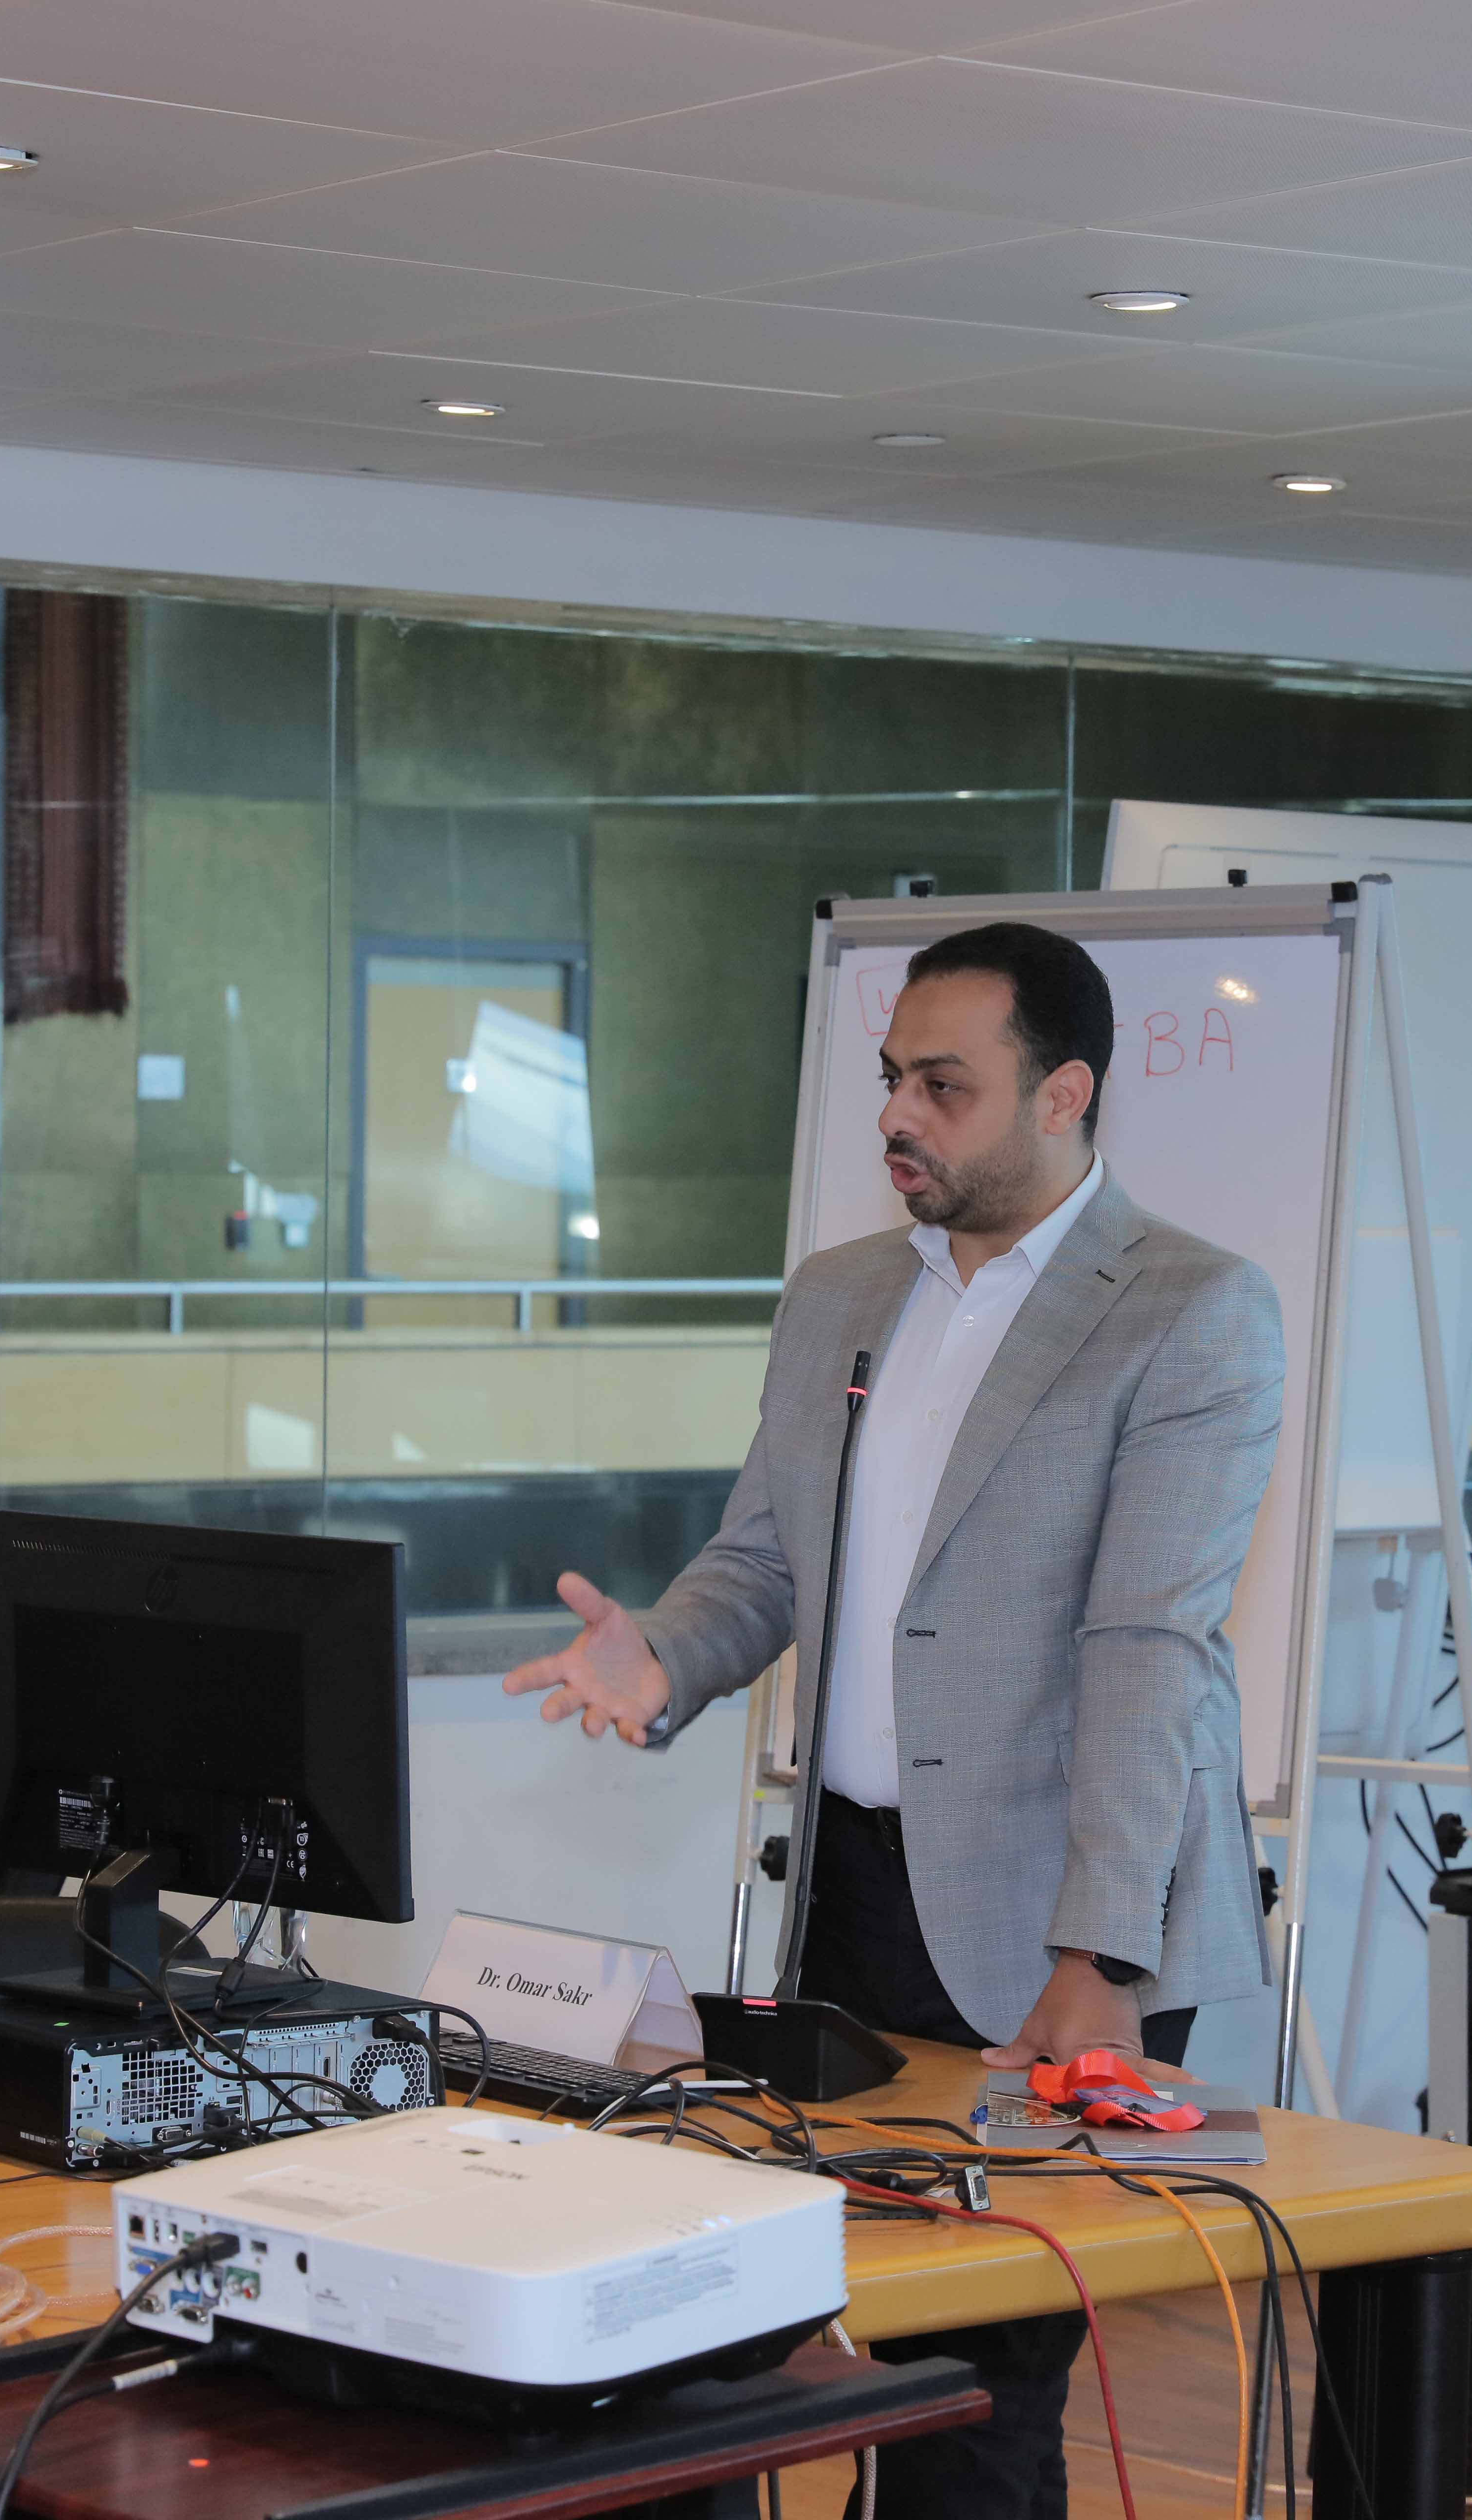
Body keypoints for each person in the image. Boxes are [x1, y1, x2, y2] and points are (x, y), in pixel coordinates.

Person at [506, 920, 1281, 2519]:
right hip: (853, 1901)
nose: (897, 1117)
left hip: (1060, 1919)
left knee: (977, 2397)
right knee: (799, 2351)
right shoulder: (842, 1296)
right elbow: (764, 1559)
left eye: (944, 1084)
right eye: (891, 1079)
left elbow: (1149, 1647)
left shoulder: (1191, 1310)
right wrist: (662, 1660)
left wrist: (1102, 1952)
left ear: (1063, 1094)